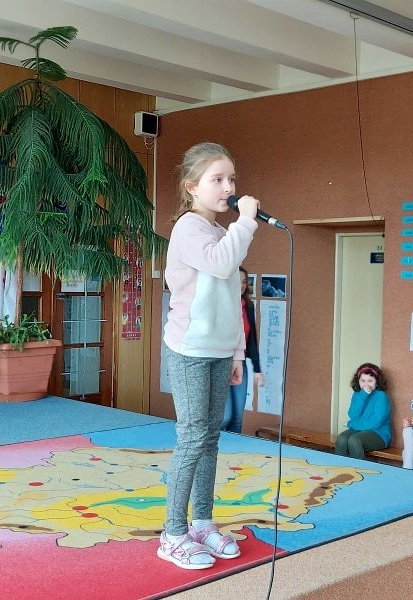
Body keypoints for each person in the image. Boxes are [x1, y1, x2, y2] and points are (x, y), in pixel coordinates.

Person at [158, 142, 259, 570]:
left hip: (219, 349)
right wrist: (246, 221)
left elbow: (232, 297)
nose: (228, 187)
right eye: (217, 179)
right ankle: (172, 534)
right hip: (190, 349)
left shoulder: (221, 232)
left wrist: (236, 353)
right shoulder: (189, 228)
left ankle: (201, 523)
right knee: (193, 437)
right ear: (192, 187)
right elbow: (219, 265)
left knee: (211, 438)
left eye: (231, 178)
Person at [221, 266, 265, 433]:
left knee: (237, 418)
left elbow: (251, 340)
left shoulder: (248, 306)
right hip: (222, 363)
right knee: (225, 416)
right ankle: (214, 445)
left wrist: (258, 370)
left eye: (244, 282)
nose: (241, 285)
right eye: (237, 281)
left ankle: (233, 448)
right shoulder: (222, 304)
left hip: (241, 364)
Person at [335, 362, 391, 460]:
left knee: (354, 440)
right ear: (358, 381)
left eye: (370, 381)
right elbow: (353, 415)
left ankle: (358, 468)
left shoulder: (381, 396)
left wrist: (352, 424)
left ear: (377, 382)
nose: (366, 384)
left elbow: (376, 423)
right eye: (363, 380)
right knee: (341, 439)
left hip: (379, 433)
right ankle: (340, 466)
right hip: (359, 429)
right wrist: (363, 396)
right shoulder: (358, 394)